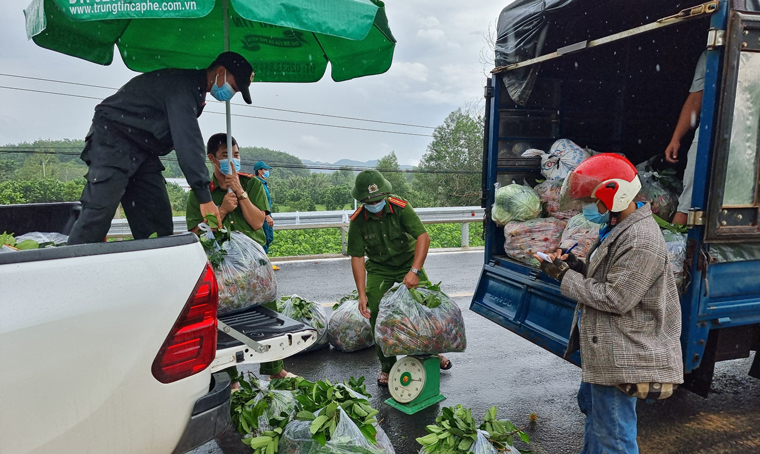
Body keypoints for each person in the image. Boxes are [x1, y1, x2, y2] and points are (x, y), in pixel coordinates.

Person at [536, 154, 683, 454]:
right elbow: (609, 277)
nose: (591, 209)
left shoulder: (641, 239)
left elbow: (617, 297)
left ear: (614, 194)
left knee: (614, 438)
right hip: (607, 351)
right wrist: (575, 266)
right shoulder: (620, 227)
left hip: (624, 356)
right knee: (597, 421)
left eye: (594, 202)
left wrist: (565, 278)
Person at [67, 52, 254, 245]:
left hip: (143, 149)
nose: (233, 93)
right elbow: (188, 141)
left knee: (157, 219)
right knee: (99, 213)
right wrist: (205, 198)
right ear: (221, 71)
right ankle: (71, 266)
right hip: (113, 139)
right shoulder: (182, 86)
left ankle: (155, 269)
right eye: (234, 87)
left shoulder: (197, 93)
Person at [186, 133, 294, 381]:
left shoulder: (252, 185)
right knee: (222, 319)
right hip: (221, 267)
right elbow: (196, 234)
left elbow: (257, 223)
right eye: (225, 156)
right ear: (212, 158)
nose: (232, 161)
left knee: (267, 312)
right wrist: (222, 210)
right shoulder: (200, 193)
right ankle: (230, 378)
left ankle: (274, 369)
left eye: (236, 155)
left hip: (253, 265)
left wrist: (240, 192)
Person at [346, 170, 451, 387]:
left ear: (385, 194)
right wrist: (362, 294)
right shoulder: (358, 221)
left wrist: (415, 271)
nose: (375, 204)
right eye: (370, 201)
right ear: (362, 201)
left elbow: (423, 237)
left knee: (425, 308)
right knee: (376, 311)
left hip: (408, 263)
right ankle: (387, 367)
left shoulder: (400, 207)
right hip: (379, 268)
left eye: (378, 199)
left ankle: (432, 354)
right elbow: (357, 257)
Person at [665, 51, 706, 226]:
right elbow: (695, 99)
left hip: (748, 141)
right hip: (709, 136)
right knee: (689, 203)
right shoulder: (709, 56)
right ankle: (676, 250)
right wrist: (676, 138)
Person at [254, 160, 277, 268]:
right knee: (265, 239)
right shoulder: (258, 184)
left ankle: (264, 263)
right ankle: (263, 265)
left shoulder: (263, 183)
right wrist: (267, 216)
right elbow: (259, 202)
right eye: (265, 169)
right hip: (263, 216)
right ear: (260, 171)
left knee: (268, 238)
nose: (267, 171)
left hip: (266, 215)